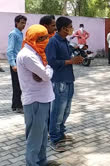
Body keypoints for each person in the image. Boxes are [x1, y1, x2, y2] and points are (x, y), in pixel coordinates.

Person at [16, 25, 60, 166]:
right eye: (42, 38)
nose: (46, 40)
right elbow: (46, 75)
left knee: (42, 136)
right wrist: (48, 67)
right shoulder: (27, 55)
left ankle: (41, 161)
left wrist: (45, 68)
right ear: (33, 38)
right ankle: (32, 163)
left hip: (43, 98)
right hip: (35, 101)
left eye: (46, 37)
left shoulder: (36, 51)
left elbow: (43, 74)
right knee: (35, 138)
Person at [46, 17, 84, 152]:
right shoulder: (53, 42)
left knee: (66, 110)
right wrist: (70, 61)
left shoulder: (64, 41)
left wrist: (76, 58)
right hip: (59, 81)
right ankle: (54, 138)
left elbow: (69, 57)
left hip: (69, 79)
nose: (72, 28)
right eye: (70, 26)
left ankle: (61, 133)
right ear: (63, 28)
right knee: (57, 111)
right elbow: (51, 62)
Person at [7, 15, 27, 113]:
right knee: (17, 85)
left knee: (18, 84)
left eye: (24, 23)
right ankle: (18, 106)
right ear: (16, 23)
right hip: (15, 63)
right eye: (22, 22)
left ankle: (15, 105)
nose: (24, 25)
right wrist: (13, 64)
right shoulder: (13, 34)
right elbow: (10, 51)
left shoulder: (20, 34)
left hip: (20, 62)